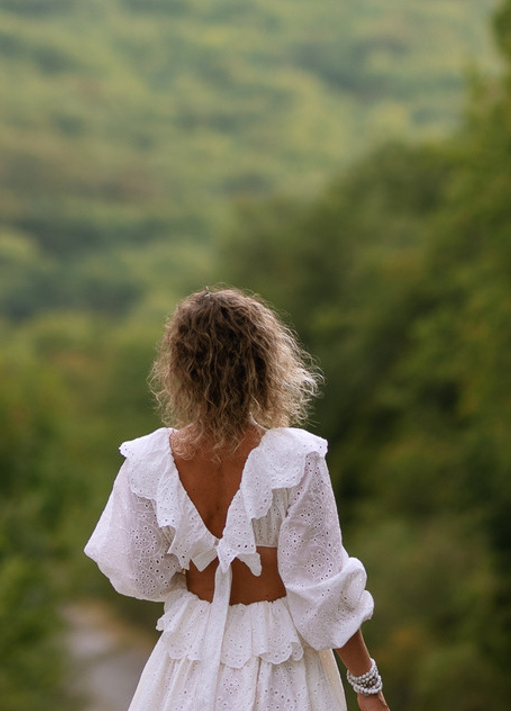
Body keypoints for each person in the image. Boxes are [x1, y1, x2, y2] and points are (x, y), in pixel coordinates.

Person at [84, 287, 390, 710]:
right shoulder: (295, 459)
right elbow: (323, 587)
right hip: (280, 656)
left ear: (180, 370)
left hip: (188, 654)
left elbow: (143, 574)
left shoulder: (147, 463)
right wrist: (367, 686)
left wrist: (197, 564)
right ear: (262, 364)